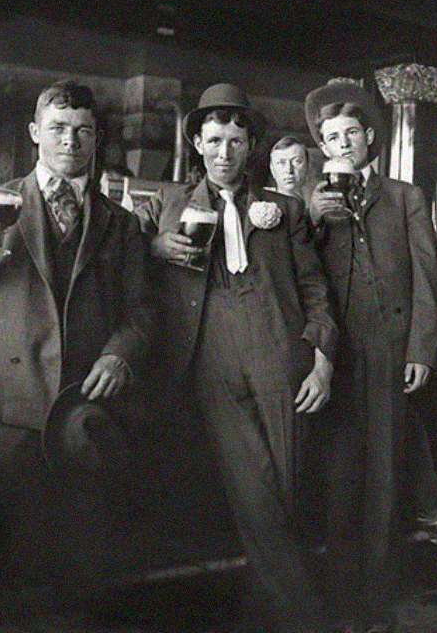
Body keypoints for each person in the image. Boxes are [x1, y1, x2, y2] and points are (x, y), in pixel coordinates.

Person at [134, 82, 337, 633]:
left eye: (236, 141)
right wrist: (153, 249)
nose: (225, 153)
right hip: (211, 359)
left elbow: (315, 286)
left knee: (286, 489)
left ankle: (264, 612)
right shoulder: (164, 205)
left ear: (251, 147)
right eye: (214, 140)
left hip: (281, 350)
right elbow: (124, 267)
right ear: (197, 143)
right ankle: (307, 621)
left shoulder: (284, 208)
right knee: (253, 488)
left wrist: (323, 358)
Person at [0, 79, 156, 598]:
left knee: (77, 559)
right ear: (34, 131)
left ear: (95, 138)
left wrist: (118, 355)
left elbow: (143, 310)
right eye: (59, 128)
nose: (71, 140)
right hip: (7, 402)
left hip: (82, 403)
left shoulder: (122, 223)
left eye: (84, 131)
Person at [305, 79, 437, 633]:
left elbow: (428, 280)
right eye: (329, 137)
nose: (339, 145)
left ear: (369, 138)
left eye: (349, 134)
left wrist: (422, 350)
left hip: (390, 352)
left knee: (386, 476)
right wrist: (312, 216)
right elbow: (300, 277)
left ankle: (376, 598)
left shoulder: (406, 197)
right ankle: (343, 601)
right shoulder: (312, 201)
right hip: (337, 354)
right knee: (341, 477)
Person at [266, 134, 317, 206]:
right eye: (281, 162)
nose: (289, 170)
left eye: (297, 161)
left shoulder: (317, 205)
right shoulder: (262, 204)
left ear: (308, 166)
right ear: (272, 169)